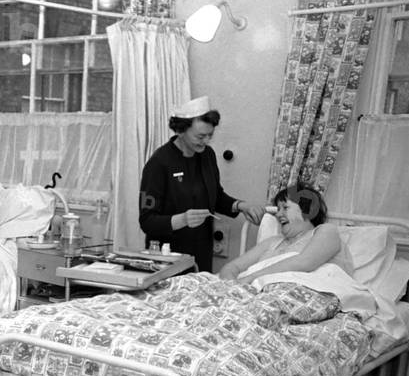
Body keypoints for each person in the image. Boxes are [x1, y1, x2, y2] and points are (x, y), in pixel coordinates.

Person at [139, 96, 266, 272]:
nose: (206, 141)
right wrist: (182, 219)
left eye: (210, 136)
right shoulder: (159, 163)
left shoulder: (207, 156)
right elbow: (147, 221)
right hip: (167, 259)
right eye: (200, 136)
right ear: (181, 131)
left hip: (201, 253)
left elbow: (215, 196)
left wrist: (240, 206)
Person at [218, 185, 352, 283]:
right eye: (278, 209)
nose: (278, 214)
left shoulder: (326, 231)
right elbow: (232, 267)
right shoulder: (273, 242)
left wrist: (249, 279)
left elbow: (304, 262)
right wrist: (232, 286)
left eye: (285, 208)